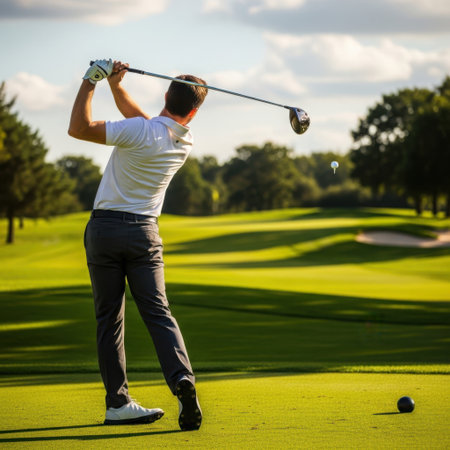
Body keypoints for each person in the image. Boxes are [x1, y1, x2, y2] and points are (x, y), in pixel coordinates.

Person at [68, 59, 207, 430]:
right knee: (159, 313)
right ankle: (182, 380)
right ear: (194, 110)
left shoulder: (139, 131)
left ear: (165, 93)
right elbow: (147, 125)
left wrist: (91, 81)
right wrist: (117, 86)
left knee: (110, 319)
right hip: (145, 234)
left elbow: (78, 128)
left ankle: (118, 402)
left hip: (105, 231)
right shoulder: (183, 140)